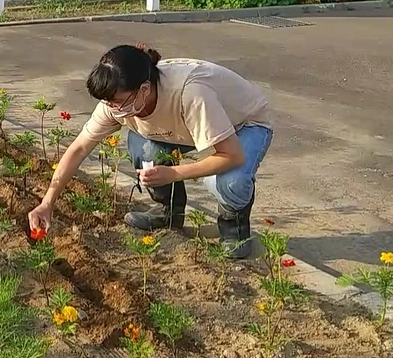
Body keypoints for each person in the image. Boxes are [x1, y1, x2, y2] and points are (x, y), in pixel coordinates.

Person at [27, 44, 273, 258]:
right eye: (107, 102)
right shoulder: (116, 102)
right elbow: (79, 148)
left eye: (117, 102)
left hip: (243, 125)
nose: (112, 108)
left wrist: (174, 173)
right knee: (144, 150)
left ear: (144, 89)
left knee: (228, 180)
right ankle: (168, 213)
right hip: (186, 128)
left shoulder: (191, 94)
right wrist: (47, 202)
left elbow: (232, 155)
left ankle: (234, 230)